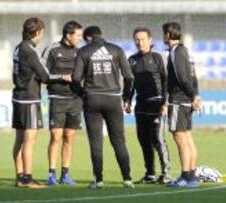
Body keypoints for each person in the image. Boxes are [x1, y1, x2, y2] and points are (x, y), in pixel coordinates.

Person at [71, 26, 135, 189]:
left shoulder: (84, 51)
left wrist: (82, 94)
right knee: (119, 140)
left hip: (92, 99)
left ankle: (98, 180)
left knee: (95, 142)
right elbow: (128, 77)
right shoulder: (116, 50)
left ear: (87, 38)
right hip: (113, 99)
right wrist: (126, 97)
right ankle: (127, 179)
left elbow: (76, 77)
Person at [12, 17, 68, 188]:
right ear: (37, 32)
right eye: (42, 32)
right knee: (30, 140)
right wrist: (63, 76)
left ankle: (20, 177)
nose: (42, 36)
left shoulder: (18, 47)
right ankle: (28, 179)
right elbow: (45, 76)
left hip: (18, 96)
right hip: (29, 98)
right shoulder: (30, 50)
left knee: (19, 140)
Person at [124, 27, 172, 184]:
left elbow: (167, 81)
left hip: (156, 102)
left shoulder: (158, 57)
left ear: (150, 40)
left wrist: (166, 102)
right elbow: (130, 83)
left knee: (158, 139)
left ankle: (166, 174)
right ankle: (150, 173)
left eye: (143, 39)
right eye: (137, 39)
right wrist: (127, 99)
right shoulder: (132, 60)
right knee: (143, 139)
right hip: (141, 104)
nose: (140, 42)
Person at [42, 21, 83, 186]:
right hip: (57, 99)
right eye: (78, 35)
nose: (80, 39)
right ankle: (51, 174)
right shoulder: (52, 49)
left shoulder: (81, 52)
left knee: (69, 137)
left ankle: (65, 174)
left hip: (75, 99)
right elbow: (42, 73)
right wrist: (61, 77)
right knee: (56, 137)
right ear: (68, 35)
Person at [162, 22, 201, 187]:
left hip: (178, 99)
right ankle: (191, 175)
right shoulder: (186, 51)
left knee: (180, 138)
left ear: (168, 35)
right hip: (187, 99)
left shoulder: (176, 52)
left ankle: (185, 176)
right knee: (187, 137)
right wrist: (196, 95)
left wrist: (192, 95)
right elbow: (193, 76)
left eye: (164, 34)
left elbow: (182, 77)